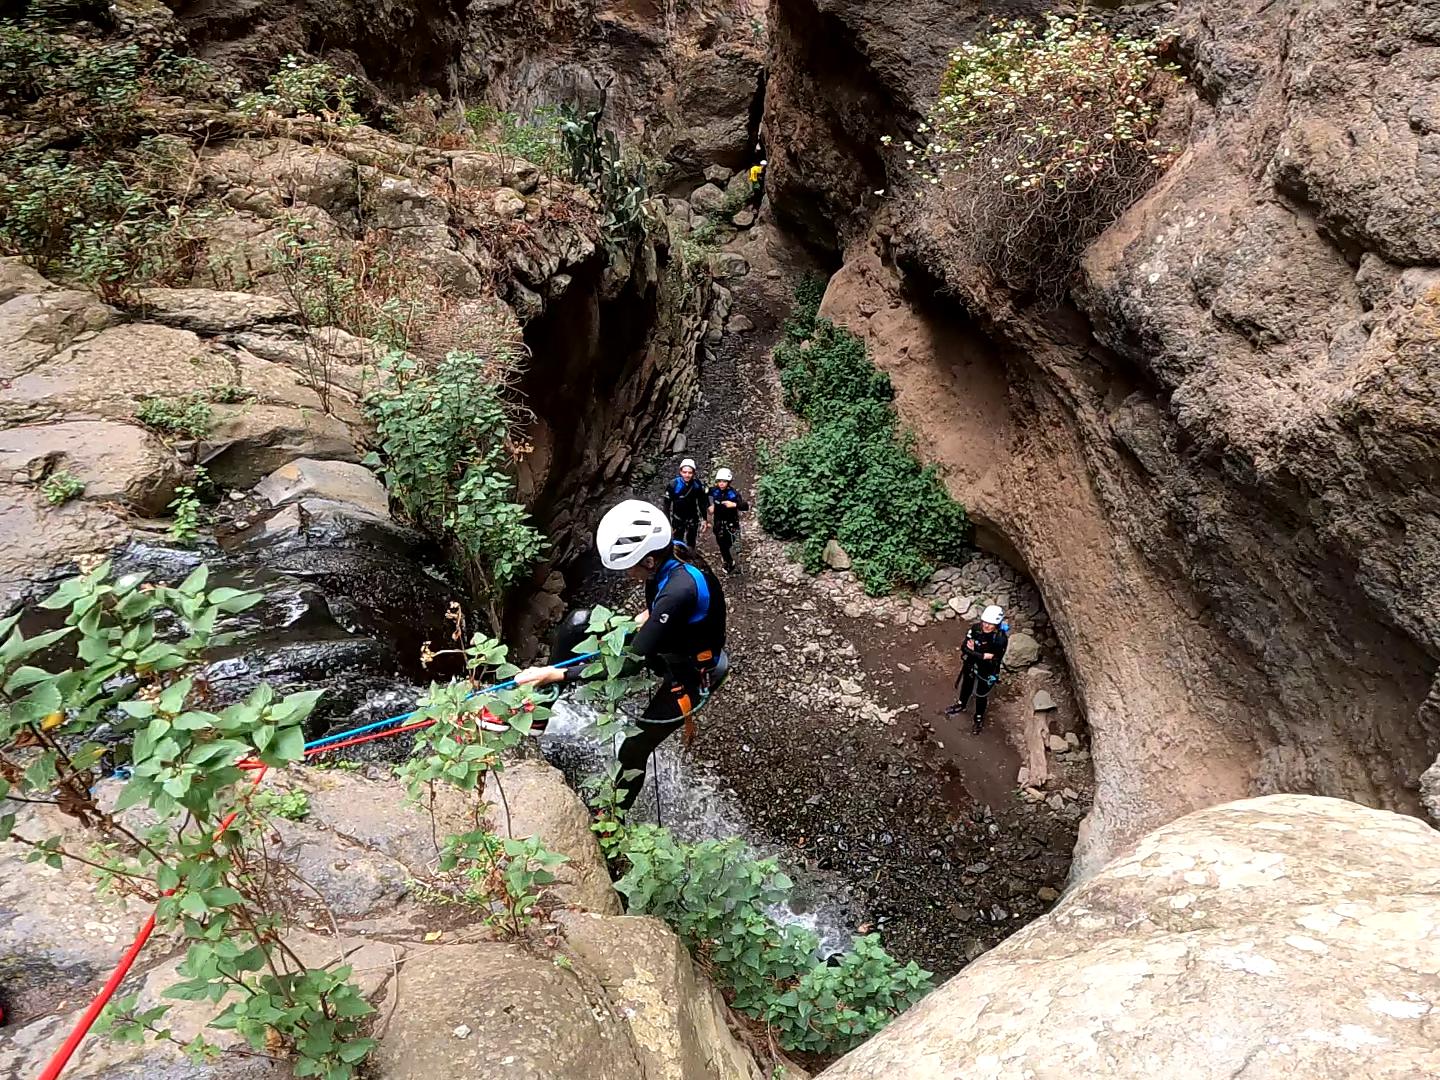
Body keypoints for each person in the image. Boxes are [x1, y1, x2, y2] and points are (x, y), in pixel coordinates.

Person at [514, 500, 727, 811]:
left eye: (630, 566)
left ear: (651, 561)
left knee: (634, 746)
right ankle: (540, 713)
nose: (627, 574)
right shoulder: (673, 552)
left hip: (692, 671)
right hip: (669, 641)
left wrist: (558, 673)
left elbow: (633, 661)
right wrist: (649, 617)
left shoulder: (680, 589)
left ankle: (613, 816)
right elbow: (671, 605)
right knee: (577, 625)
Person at [948, 605, 1008, 734]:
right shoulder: (976, 629)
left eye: (990, 624)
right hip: (972, 662)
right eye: (985, 622)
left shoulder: (1000, 639)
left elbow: (995, 660)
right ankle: (961, 704)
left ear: (996, 624)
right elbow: (964, 647)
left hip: (987, 669)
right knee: (967, 685)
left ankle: (978, 716)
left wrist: (974, 652)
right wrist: (981, 655)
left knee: (981, 693)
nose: (986, 626)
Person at [706, 468, 749, 573]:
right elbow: (703, 495)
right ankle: (728, 560)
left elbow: (745, 506)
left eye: (724, 481)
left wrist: (734, 504)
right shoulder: (714, 490)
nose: (721, 484)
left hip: (731, 523)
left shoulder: (732, 494)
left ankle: (727, 556)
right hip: (718, 522)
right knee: (721, 544)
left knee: (730, 542)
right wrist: (710, 506)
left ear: (728, 482)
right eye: (719, 481)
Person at [663, 458, 709, 549]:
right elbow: (666, 506)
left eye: (690, 473)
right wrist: (668, 524)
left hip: (692, 518)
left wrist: (704, 519)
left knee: (691, 542)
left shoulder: (697, 485)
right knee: (677, 543)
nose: (687, 475)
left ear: (693, 473)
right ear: (680, 472)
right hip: (678, 519)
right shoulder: (673, 485)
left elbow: (702, 502)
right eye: (684, 472)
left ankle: (691, 558)